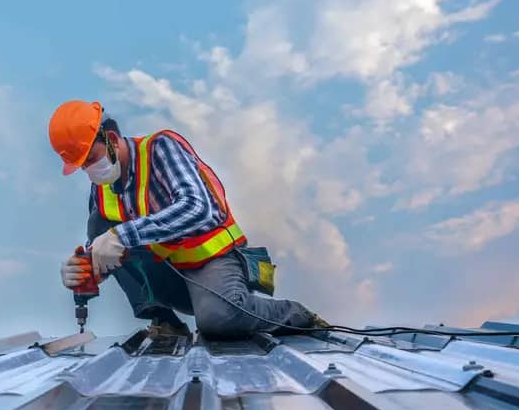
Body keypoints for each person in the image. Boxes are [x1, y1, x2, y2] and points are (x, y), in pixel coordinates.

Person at [48, 99, 327, 339]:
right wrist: (83, 268)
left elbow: (199, 208)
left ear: (109, 139)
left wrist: (122, 236)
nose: (89, 170)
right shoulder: (103, 188)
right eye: (82, 165)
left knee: (218, 321)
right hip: (171, 273)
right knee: (101, 228)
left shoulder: (160, 148)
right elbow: (107, 250)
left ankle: (297, 315)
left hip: (213, 261)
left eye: (90, 158)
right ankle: (166, 323)